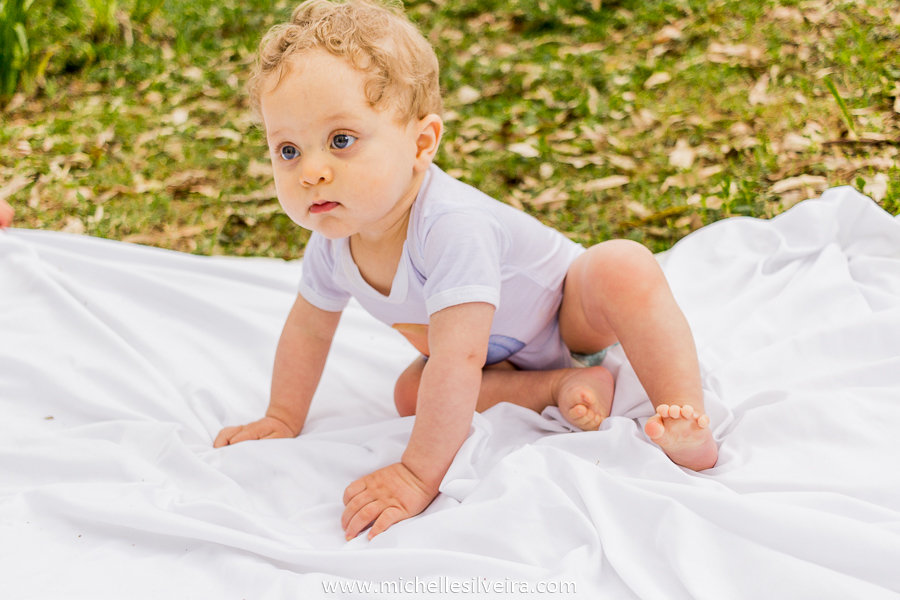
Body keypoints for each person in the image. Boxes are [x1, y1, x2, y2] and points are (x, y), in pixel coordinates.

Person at [214, 0, 717, 541]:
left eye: (341, 141)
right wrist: (283, 416)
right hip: (502, 360)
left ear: (422, 143)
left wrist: (416, 473)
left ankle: (687, 422)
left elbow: (460, 356)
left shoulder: (449, 225)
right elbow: (309, 329)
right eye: (287, 150)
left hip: (569, 316)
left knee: (622, 266)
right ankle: (558, 386)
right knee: (412, 394)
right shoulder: (334, 241)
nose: (311, 172)